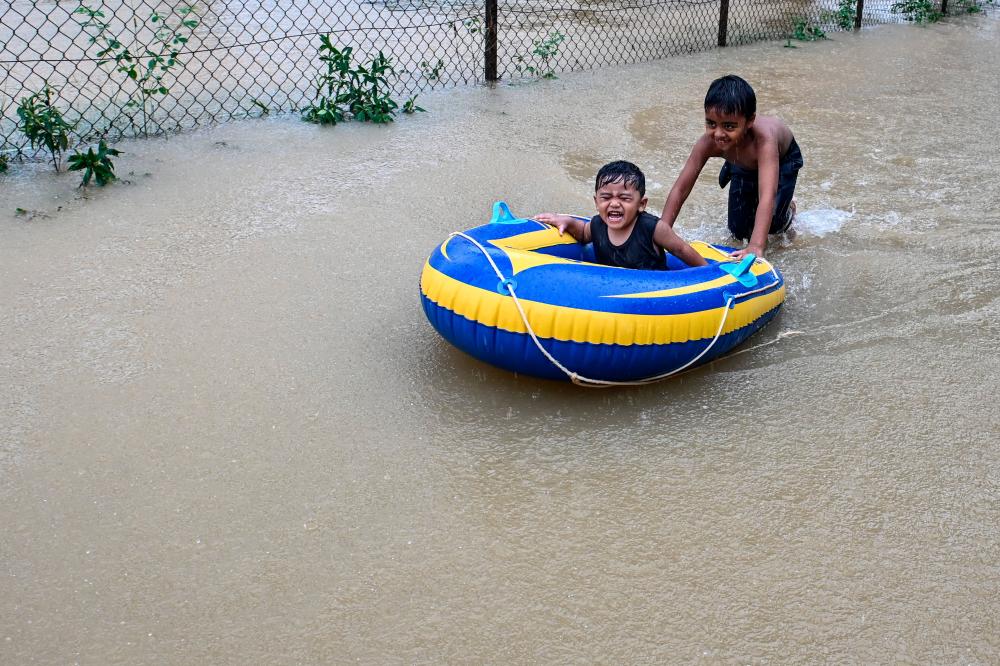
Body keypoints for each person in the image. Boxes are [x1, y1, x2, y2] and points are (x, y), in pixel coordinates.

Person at [661, 74, 804, 260]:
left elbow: (766, 196)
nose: (718, 134)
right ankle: (735, 163)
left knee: (773, 225)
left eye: (729, 126)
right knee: (738, 230)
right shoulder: (708, 143)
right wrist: (662, 231)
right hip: (740, 158)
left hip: (783, 160)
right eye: (711, 123)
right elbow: (680, 189)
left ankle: (789, 210)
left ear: (750, 121)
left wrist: (756, 246)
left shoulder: (764, 142)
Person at [534, 161, 707, 270]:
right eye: (606, 197)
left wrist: (708, 273)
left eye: (624, 198)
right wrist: (567, 221)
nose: (615, 203)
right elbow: (583, 233)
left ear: (641, 204)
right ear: (596, 202)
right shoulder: (597, 225)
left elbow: (681, 249)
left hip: (656, 292)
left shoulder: (653, 228)